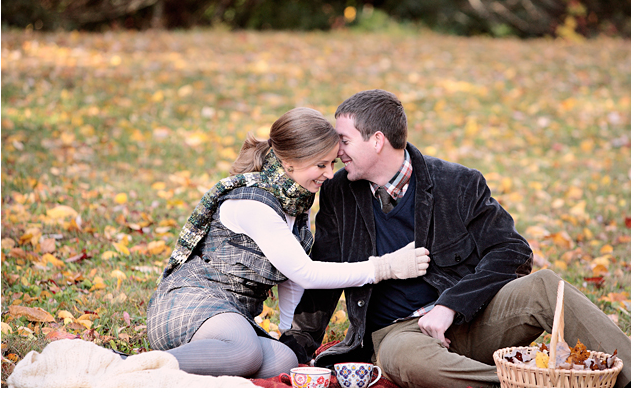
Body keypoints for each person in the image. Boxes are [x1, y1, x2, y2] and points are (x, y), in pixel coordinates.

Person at [279, 90, 631, 388]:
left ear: (377, 140)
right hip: (401, 335)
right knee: (403, 357)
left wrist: (451, 305)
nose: (337, 151)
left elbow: (513, 251)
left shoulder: (457, 183)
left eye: (344, 140)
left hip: (471, 320)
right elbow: (323, 273)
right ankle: (528, 383)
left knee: (545, 286)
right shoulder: (340, 192)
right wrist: (297, 348)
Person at [146, 107, 429, 379]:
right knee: (245, 351)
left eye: (332, 163)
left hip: (233, 316)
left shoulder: (295, 201)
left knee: (284, 361)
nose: (331, 174)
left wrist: (290, 337)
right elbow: (304, 272)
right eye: (321, 165)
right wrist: (385, 267)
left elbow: (289, 280)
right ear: (290, 162)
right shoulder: (253, 202)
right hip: (189, 304)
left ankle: (192, 367)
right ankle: (134, 368)